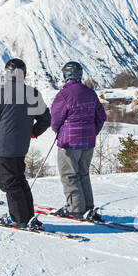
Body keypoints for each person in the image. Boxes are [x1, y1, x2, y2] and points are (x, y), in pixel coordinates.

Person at [0, 57, 51, 229]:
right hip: (21, 146)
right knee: (19, 179)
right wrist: (33, 132)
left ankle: (19, 219)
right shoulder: (32, 94)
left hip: (4, 147)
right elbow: (46, 119)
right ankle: (27, 216)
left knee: (9, 183)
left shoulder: (0, 94)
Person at [48, 60, 107, 220]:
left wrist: (58, 131)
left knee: (69, 175)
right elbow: (101, 116)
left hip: (69, 141)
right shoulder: (90, 93)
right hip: (88, 141)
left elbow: (55, 119)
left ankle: (75, 208)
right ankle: (87, 206)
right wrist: (93, 131)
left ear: (66, 76)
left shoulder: (64, 95)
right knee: (83, 174)